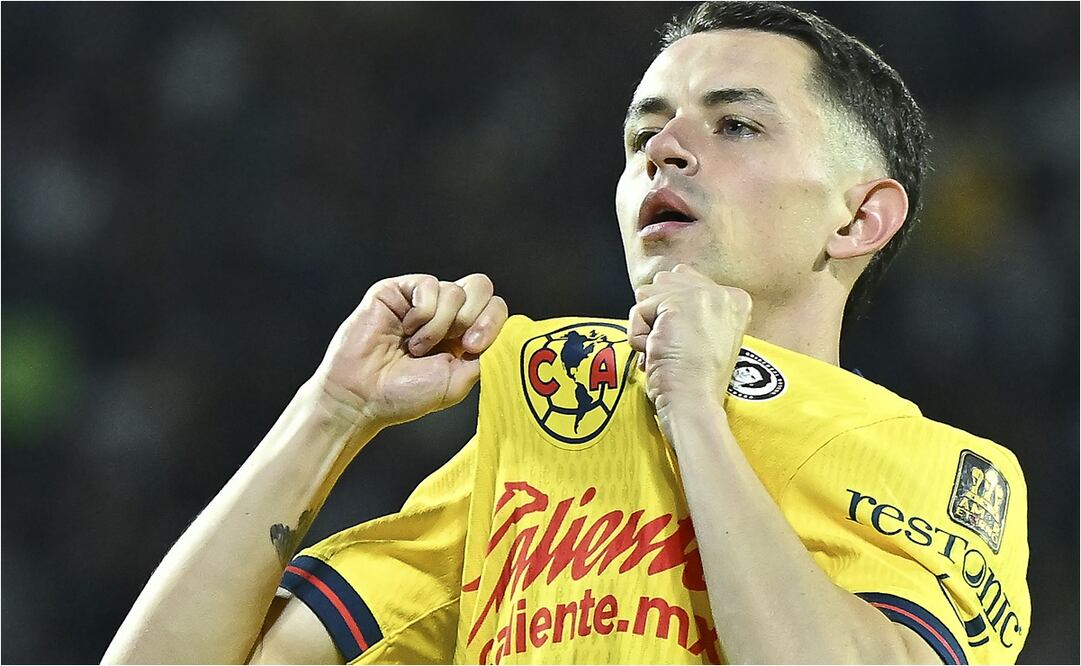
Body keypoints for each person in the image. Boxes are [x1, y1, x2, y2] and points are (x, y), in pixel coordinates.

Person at [102, 2, 1030, 664]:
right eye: (644, 135)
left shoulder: (941, 470)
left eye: (736, 124)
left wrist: (695, 416)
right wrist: (331, 412)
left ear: (859, 219)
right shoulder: (556, 411)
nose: (665, 149)